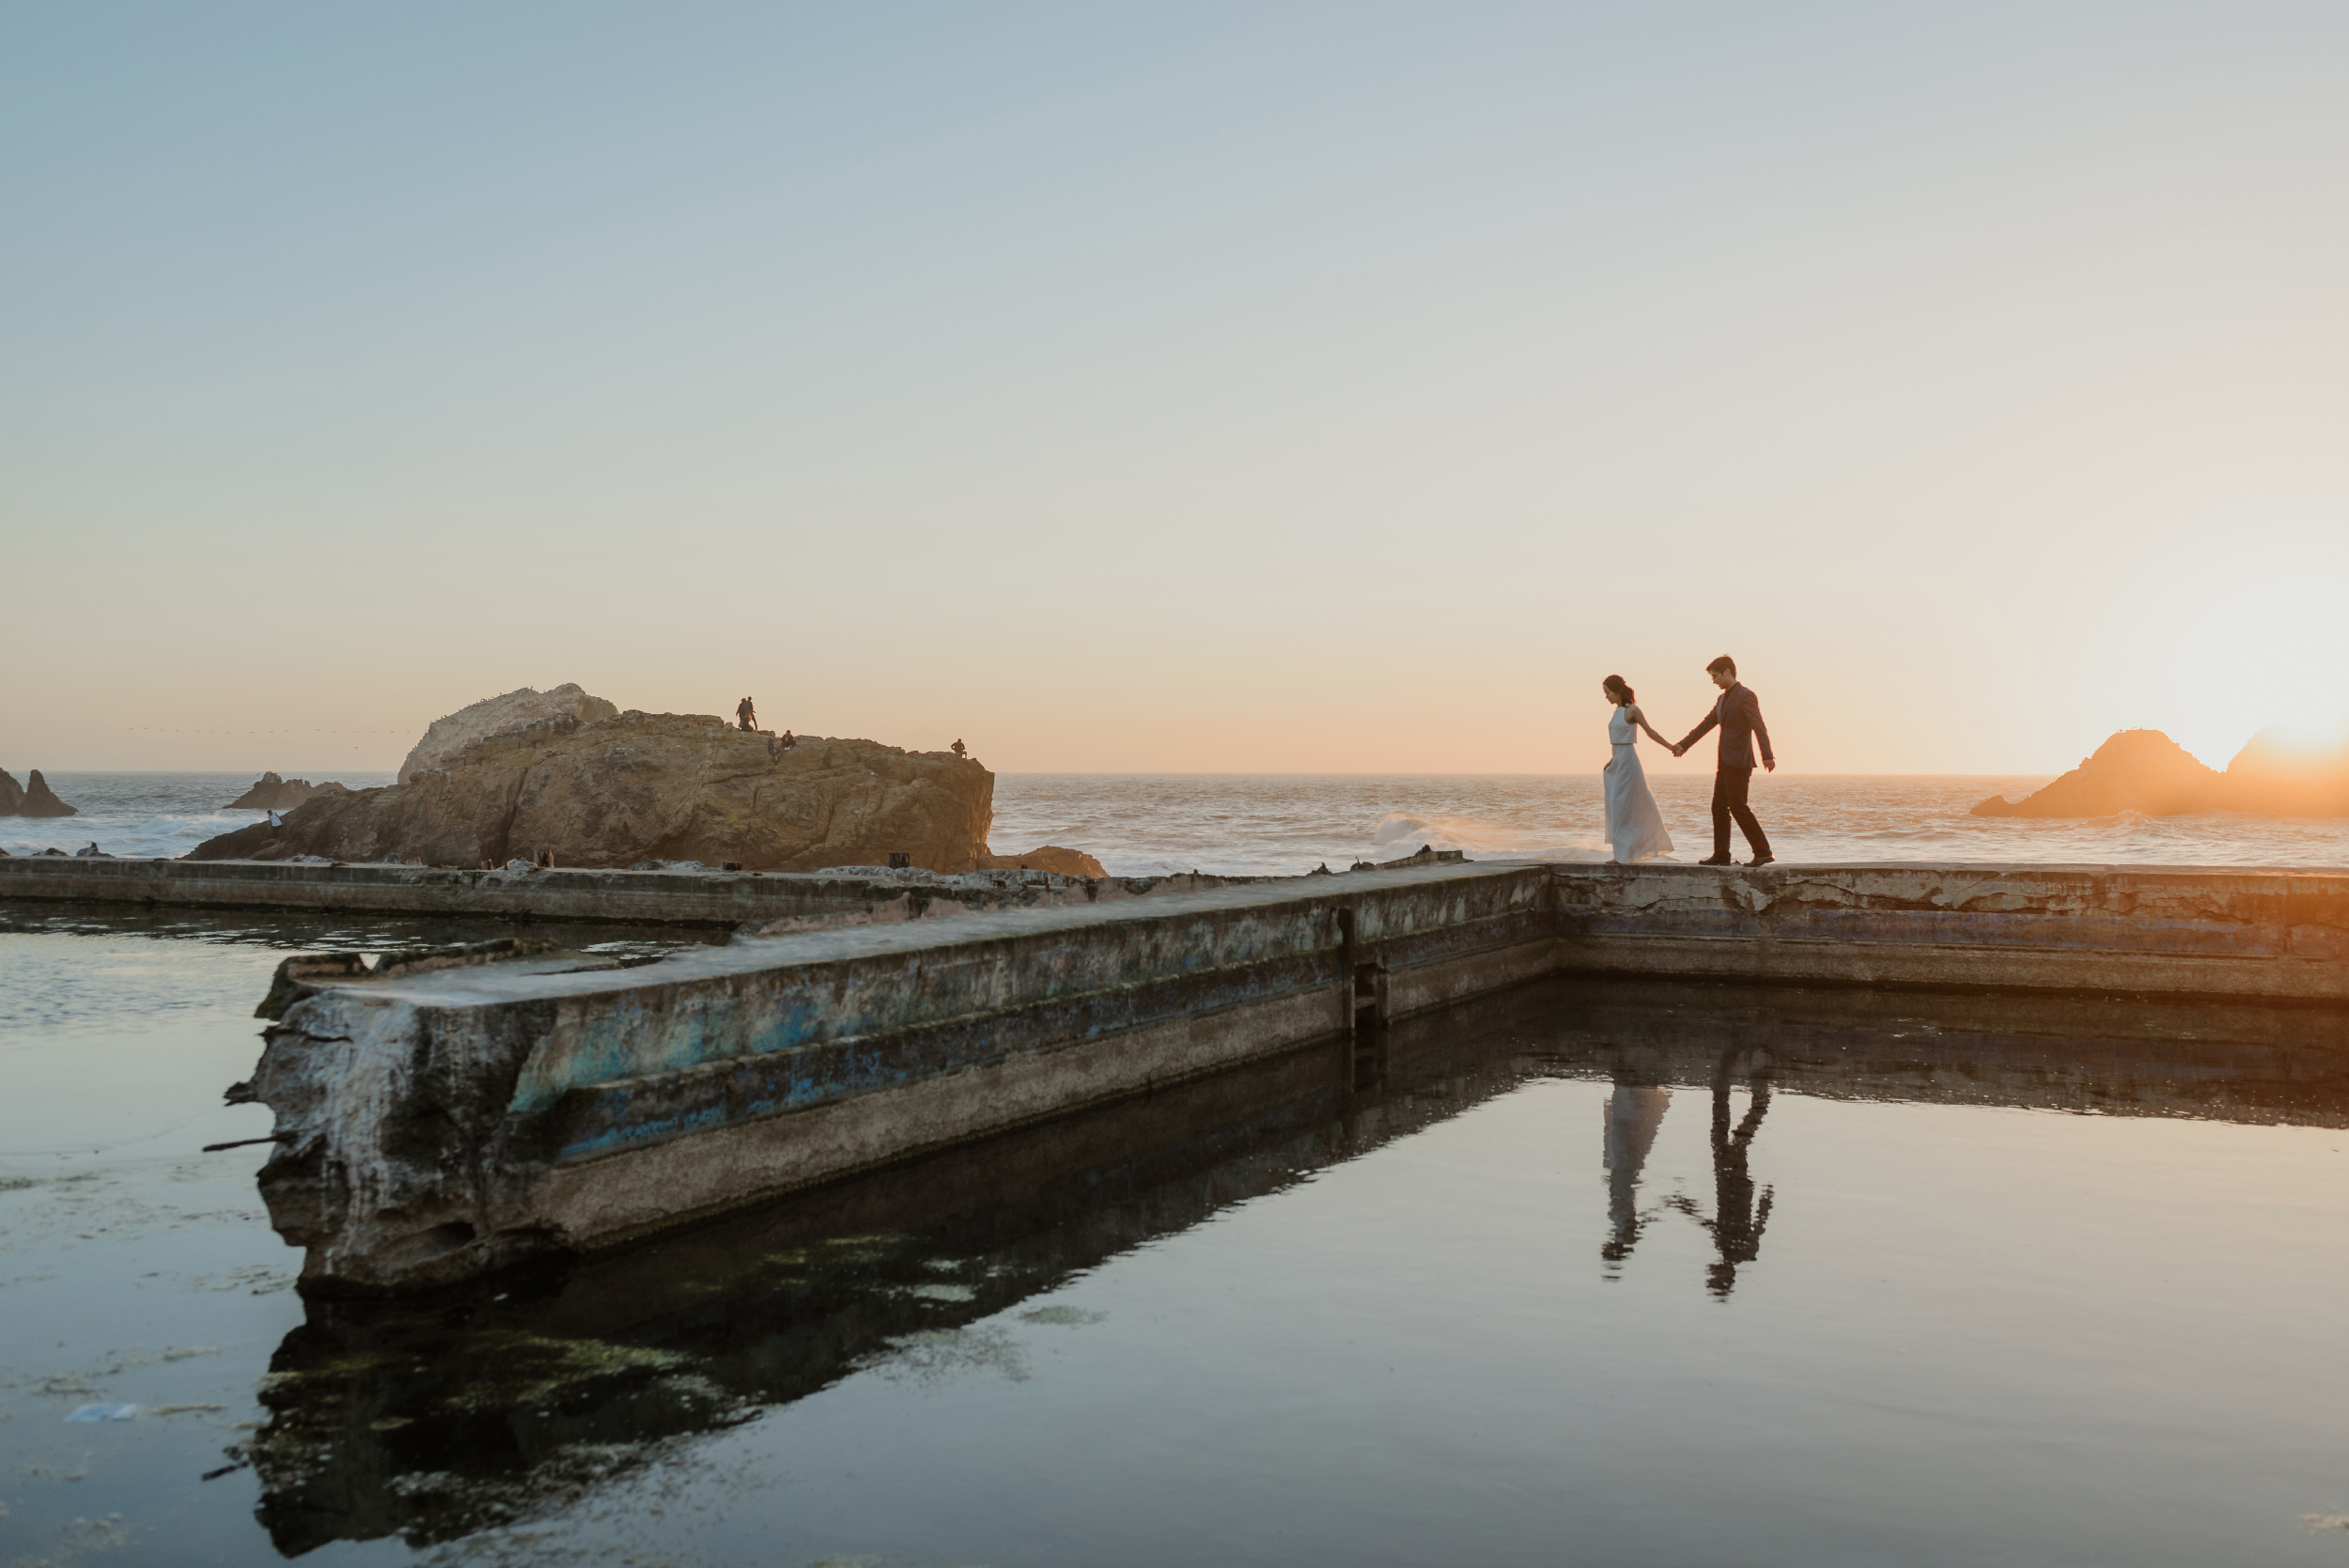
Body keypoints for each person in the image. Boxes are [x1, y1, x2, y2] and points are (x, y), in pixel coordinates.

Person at [1672, 656, 1774, 867]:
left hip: (1740, 761)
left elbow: (1759, 726)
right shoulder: (1722, 700)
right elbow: (1706, 724)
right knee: (1718, 808)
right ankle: (1721, 855)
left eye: (1715, 675)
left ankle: (1763, 852)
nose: (1714, 681)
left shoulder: (1746, 696)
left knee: (1738, 806)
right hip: (1725, 762)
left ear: (1727, 672)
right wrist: (1684, 745)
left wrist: (1767, 755)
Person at [1599, 675, 1674, 863]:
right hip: (1616, 763)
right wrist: (1611, 759)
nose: (1606, 696)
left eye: (1608, 692)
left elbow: (1650, 732)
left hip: (1628, 763)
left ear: (1617, 691)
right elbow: (1617, 740)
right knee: (1614, 808)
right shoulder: (1616, 712)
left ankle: (1629, 853)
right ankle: (1622, 854)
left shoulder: (1632, 710)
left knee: (1624, 807)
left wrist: (1671, 747)